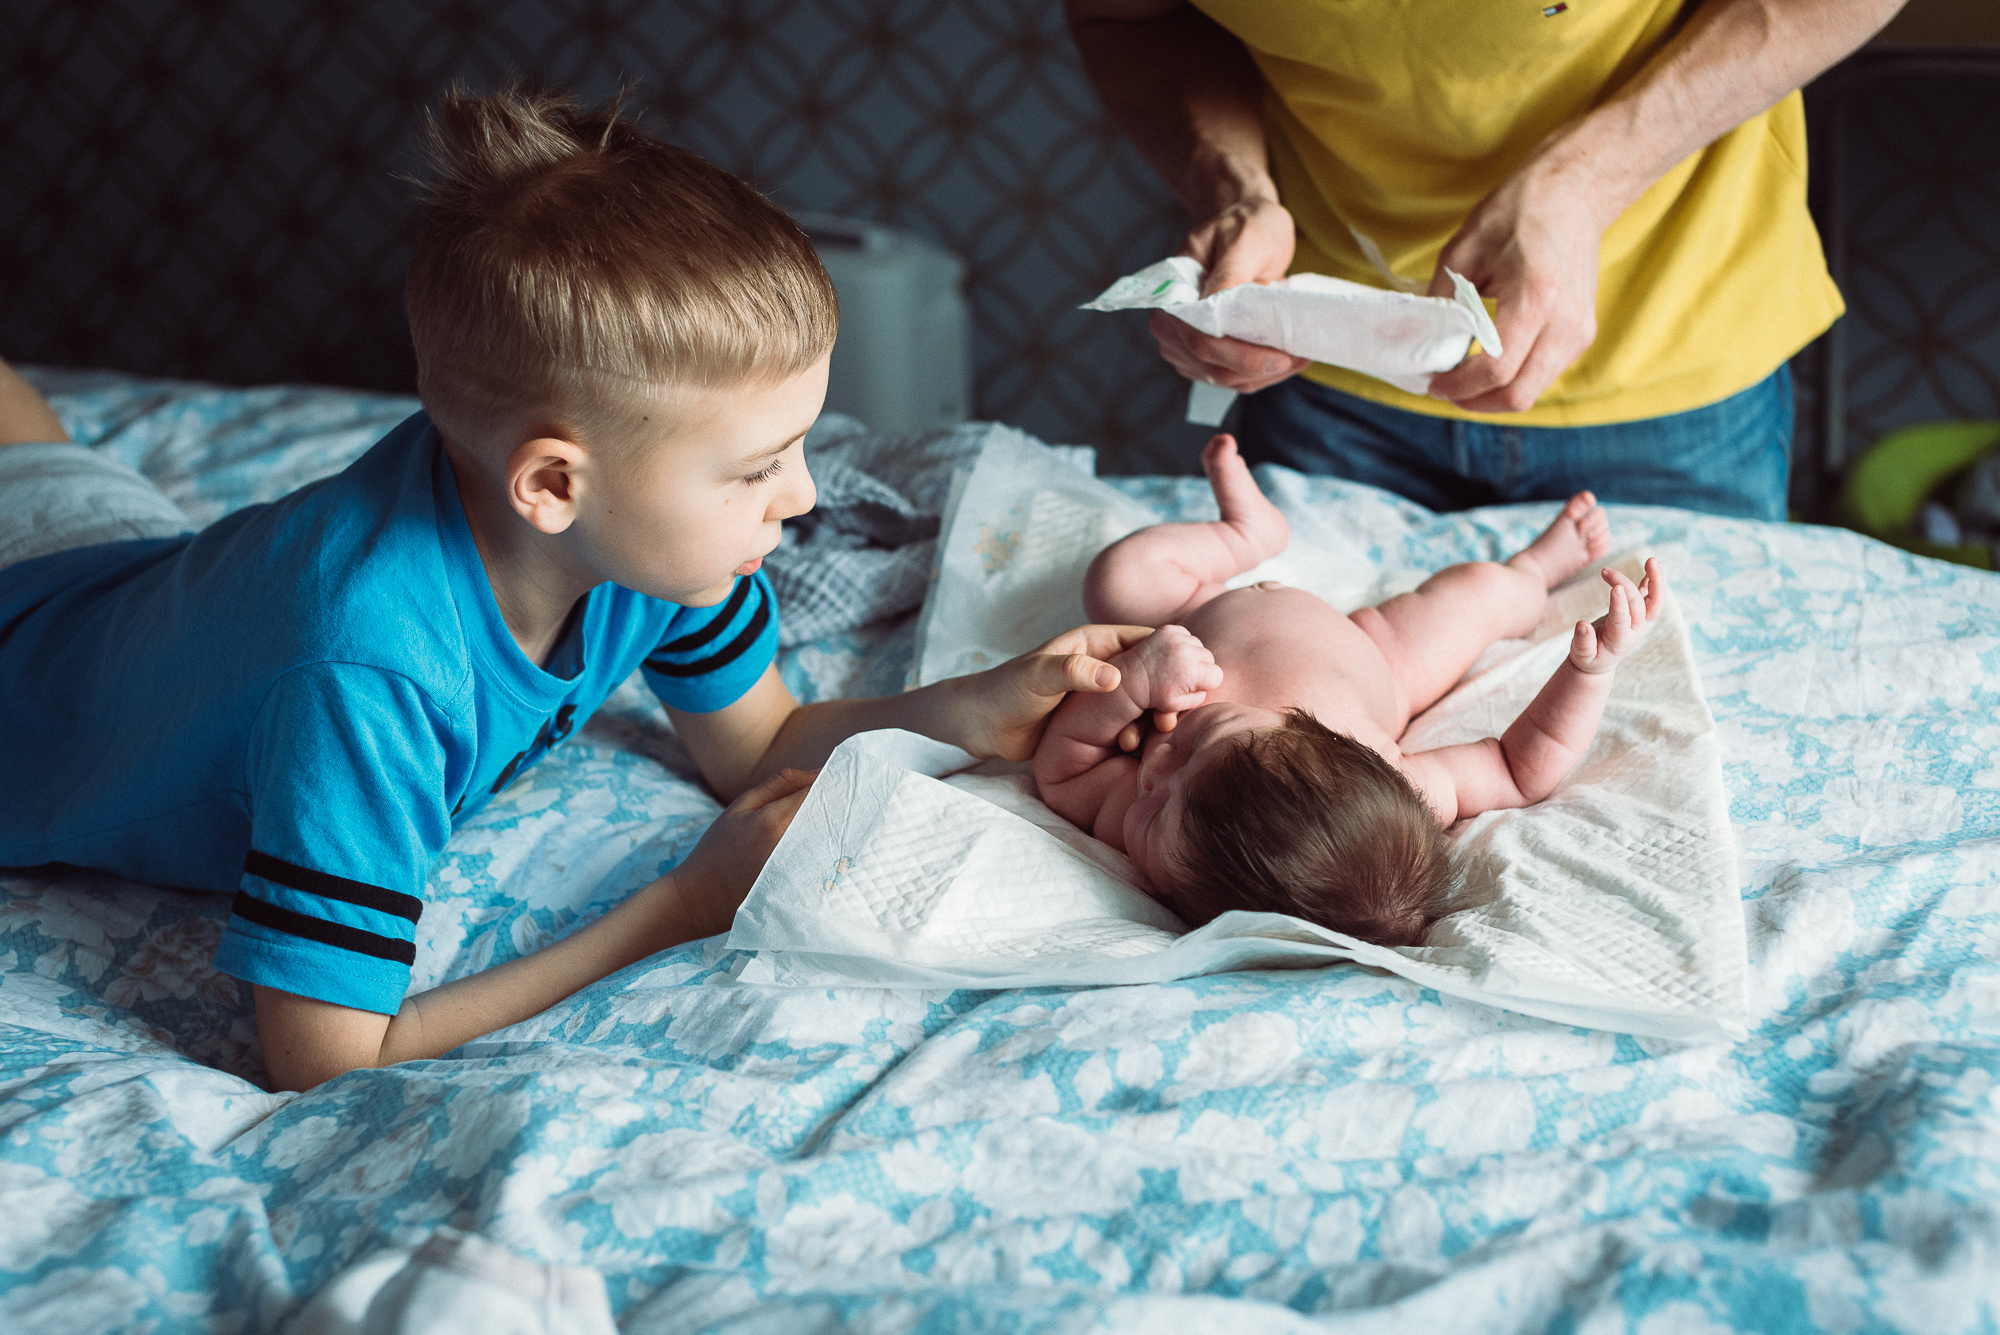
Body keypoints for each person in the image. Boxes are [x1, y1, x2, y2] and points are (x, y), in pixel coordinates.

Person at [0, 90, 1145, 1092]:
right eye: (755, 468)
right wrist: (680, 909)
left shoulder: (651, 545)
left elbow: (760, 744)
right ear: (553, 483)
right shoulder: (367, 679)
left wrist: (967, 706)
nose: (798, 499)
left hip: (114, 566)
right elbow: (326, 1063)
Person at [1065, 0, 1908, 519]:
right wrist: (1231, 187)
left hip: (1674, 358)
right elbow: (1132, 17)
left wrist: (1586, 179)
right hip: (1326, 378)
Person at [1032, 433, 1664, 942]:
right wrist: (1591, 670)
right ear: (1318, 731)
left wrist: (1133, 682)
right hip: (1378, 655)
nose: (1149, 773)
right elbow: (1520, 768)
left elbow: (1062, 770)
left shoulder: (1156, 836)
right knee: (1475, 595)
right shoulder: (1400, 783)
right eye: (1200, 744)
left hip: (1210, 614)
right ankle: (1528, 569)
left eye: (1153, 810)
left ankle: (1242, 541)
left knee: (1119, 581)